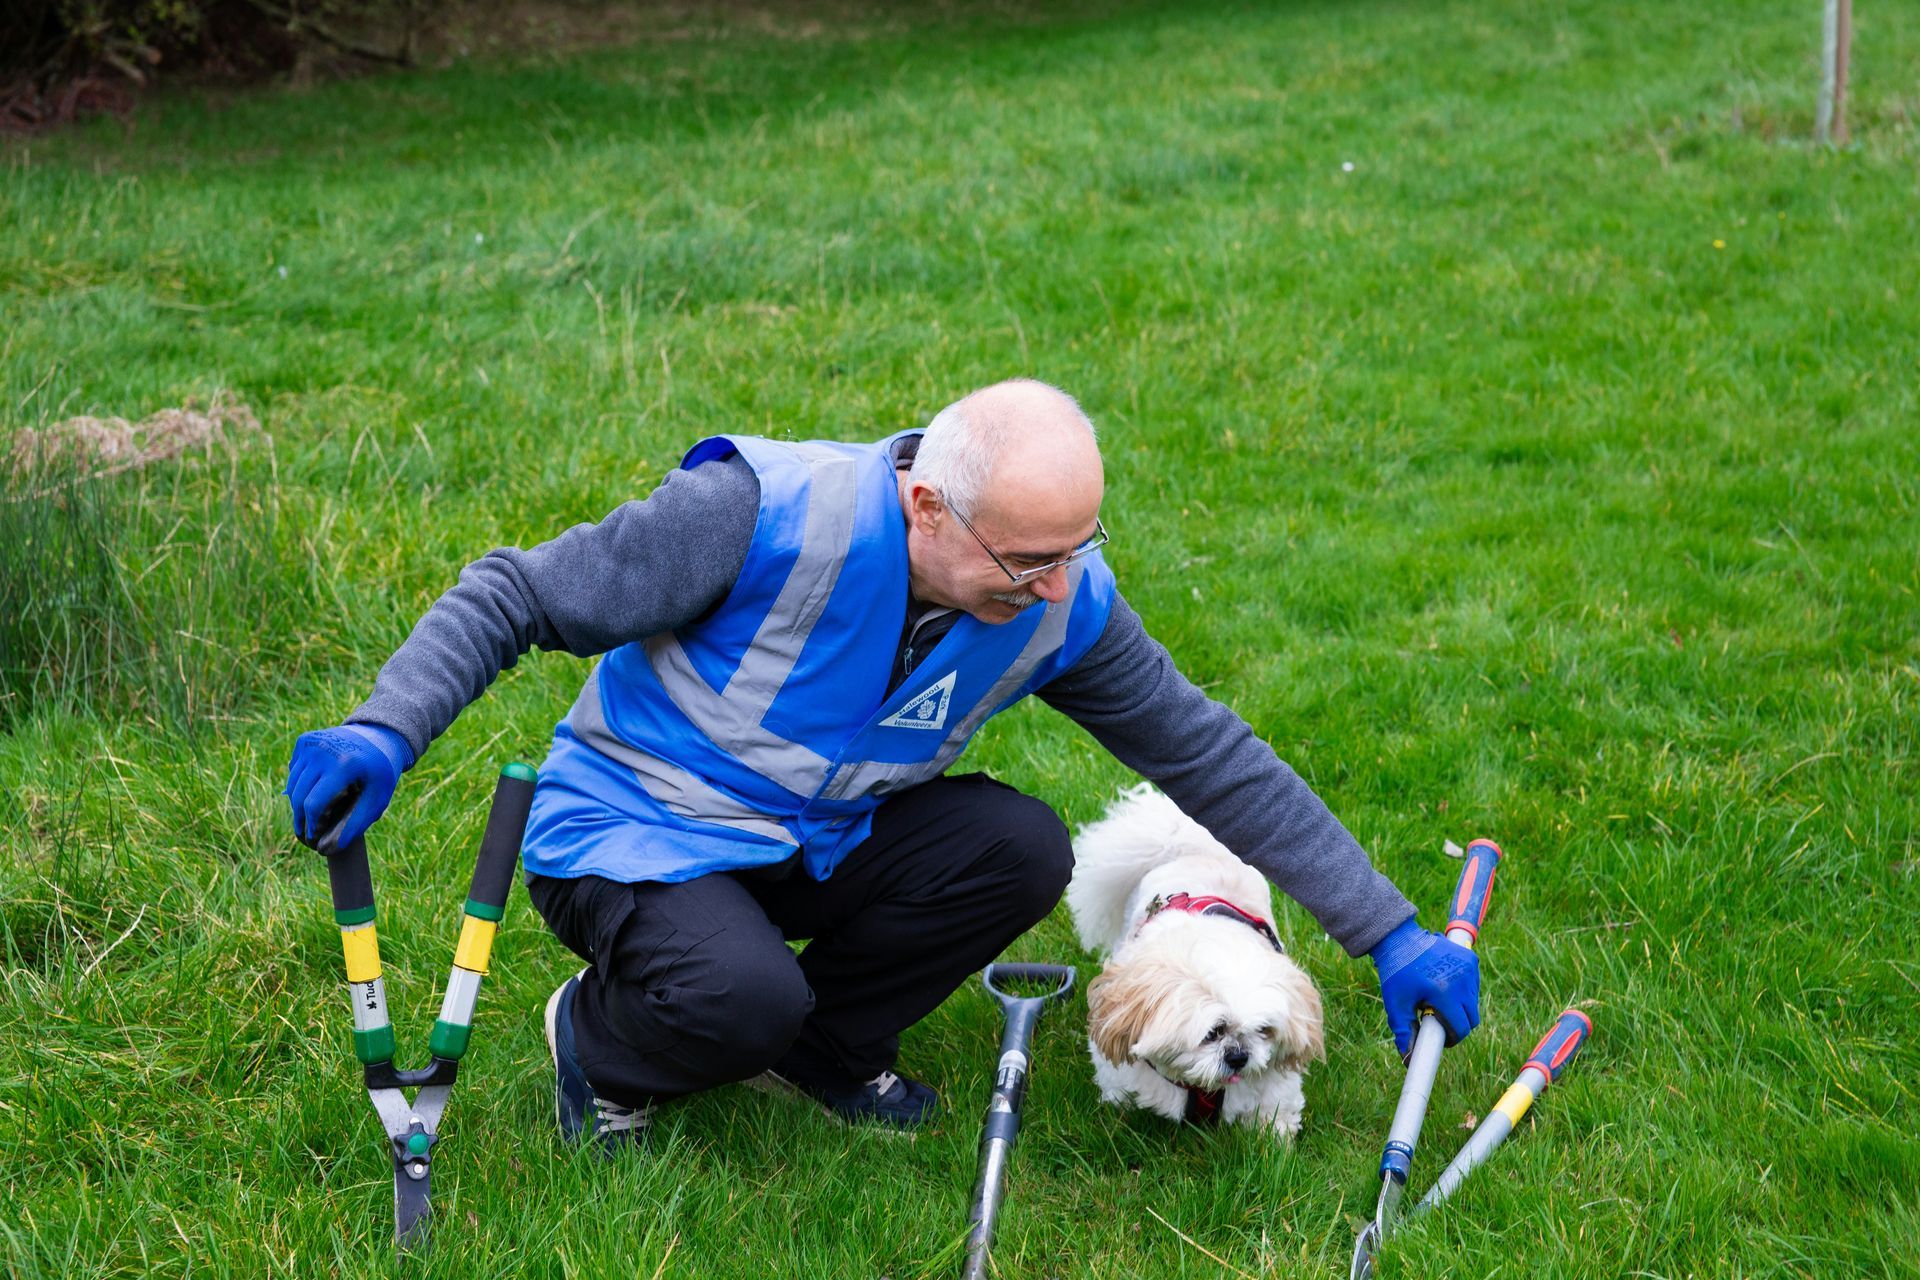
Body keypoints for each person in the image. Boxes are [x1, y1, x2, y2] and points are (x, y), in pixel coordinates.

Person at [285, 379, 1479, 1149]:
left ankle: (825, 1052)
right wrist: (385, 729)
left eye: (1079, 549)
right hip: (638, 833)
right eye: (1025, 560)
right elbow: (518, 593)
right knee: (739, 994)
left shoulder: (1059, 600)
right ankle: (598, 1041)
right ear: (925, 506)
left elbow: (1209, 754)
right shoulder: (753, 513)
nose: (1054, 588)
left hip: (813, 842)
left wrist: (1388, 930)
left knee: (1021, 849)